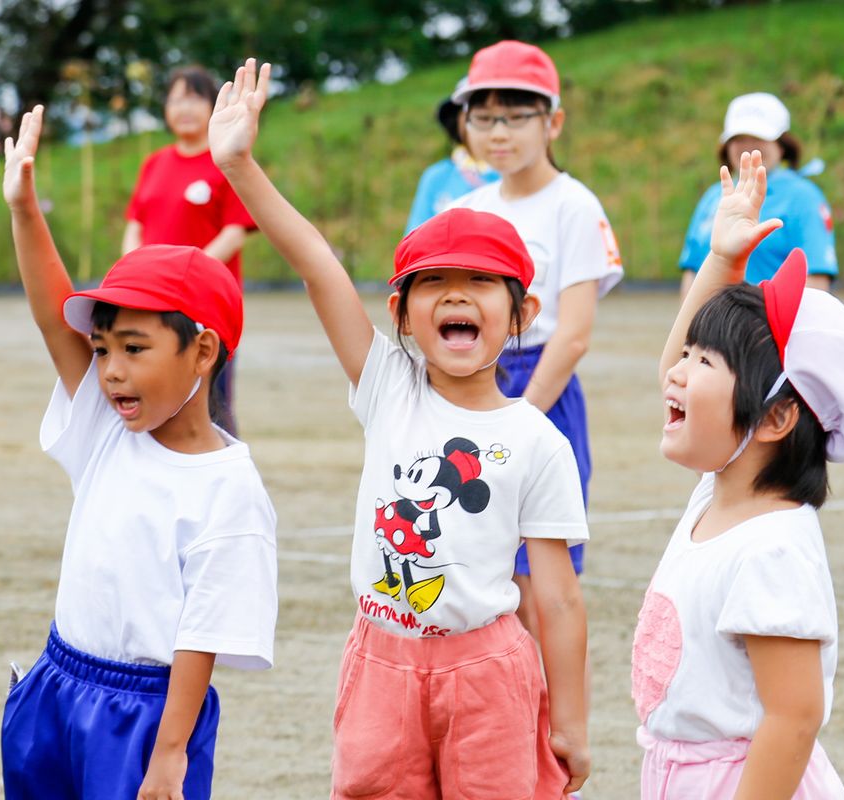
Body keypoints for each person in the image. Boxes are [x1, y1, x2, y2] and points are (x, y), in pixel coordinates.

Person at [210, 59, 591, 799]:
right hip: (381, 662)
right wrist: (239, 165)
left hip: (490, 674)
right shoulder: (389, 388)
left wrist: (570, 720)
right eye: (434, 284)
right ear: (402, 315)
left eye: (482, 282)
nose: (457, 294)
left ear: (522, 316)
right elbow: (319, 265)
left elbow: (561, 597)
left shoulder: (538, 439)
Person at [0, 105, 278, 800]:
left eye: (134, 348)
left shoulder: (228, 487)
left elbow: (202, 636)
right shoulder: (106, 428)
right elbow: (49, 312)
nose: (111, 371)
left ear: (203, 351)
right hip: (57, 679)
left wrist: (169, 753)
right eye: (101, 349)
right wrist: (24, 208)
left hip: (144, 713)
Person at [631, 150, 844, 798]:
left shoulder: (771, 549)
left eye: (704, 361)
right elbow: (671, 377)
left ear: (775, 420)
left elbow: (794, 719)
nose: (676, 372)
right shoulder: (718, 490)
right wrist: (722, 262)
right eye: (685, 353)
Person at [450, 39, 623, 644]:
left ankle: (553, 731)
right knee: (489, 578)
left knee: (544, 585)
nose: (499, 132)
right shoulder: (468, 208)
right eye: (484, 116)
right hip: (474, 391)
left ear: (553, 122)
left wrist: (517, 420)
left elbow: (572, 335)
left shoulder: (573, 206)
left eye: (516, 116)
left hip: (540, 395)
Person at [123, 64, 257, 432]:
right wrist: (134, 277)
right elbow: (134, 226)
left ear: (213, 106)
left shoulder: (227, 160)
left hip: (205, 306)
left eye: (195, 98)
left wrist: (180, 277)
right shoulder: (155, 164)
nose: (184, 108)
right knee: (152, 397)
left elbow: (233, 233)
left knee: (210, 404)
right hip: (151, 303)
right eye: (176, 98)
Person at [679, 92, 838, 299]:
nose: (748, 146)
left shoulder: (803, 197)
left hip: (771, 329)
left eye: (758, 137)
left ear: (781, 145)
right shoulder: (712, 197)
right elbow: (691, 274)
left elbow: (816, 281)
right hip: (711, 329)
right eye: (739, 138)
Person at [404, 79, 499, 233]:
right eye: (480, 116)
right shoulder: (437, 177)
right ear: (458, 120)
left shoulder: (520, 175)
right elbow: (415, 241)